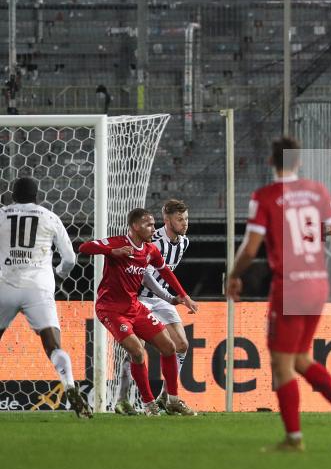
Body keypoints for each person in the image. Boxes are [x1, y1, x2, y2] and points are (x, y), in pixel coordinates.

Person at [226, 137, 331, 452]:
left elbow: (251, 248)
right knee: (300, 359)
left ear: (270, 163)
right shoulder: (318, 192)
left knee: (281, 364)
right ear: (299, 162)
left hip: (290, 286)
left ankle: (294, 439)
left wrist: (234, 274)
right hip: (318, 284)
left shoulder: (265, 196)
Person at [79, 208, 199, 416]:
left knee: (169, 347)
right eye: (149, 225)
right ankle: (148, 404)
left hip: (134, 307)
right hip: (110, 308)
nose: (153, 228)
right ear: (135, 226)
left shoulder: (150, 250)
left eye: (153, 224)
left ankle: (172, 400)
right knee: (136, 350)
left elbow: (165, 272)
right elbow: (85, 247)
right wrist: (111, 252)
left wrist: (183, 296)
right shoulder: (118, 243)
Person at [0, 177, 90, 418]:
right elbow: (70, 258)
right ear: (37, 196)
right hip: (39, 287)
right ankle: (70, 385)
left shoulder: (1, 215)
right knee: (53, 345)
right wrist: (59, 275)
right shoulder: (49, 217)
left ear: (12, 196)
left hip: (5, 285)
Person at [114, 199, 193, 415]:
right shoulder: (153, 241)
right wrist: (170, 296)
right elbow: (146, 275)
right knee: (135, 349)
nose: (184, 223)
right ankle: (122, 399)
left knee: (182, 344)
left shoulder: (184, 242)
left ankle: (166, 398)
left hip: (161, 300)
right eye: (179, 219)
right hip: (140, 298)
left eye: (186, 219)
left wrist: (176, 297)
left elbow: (166, 273)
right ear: (166, 220)